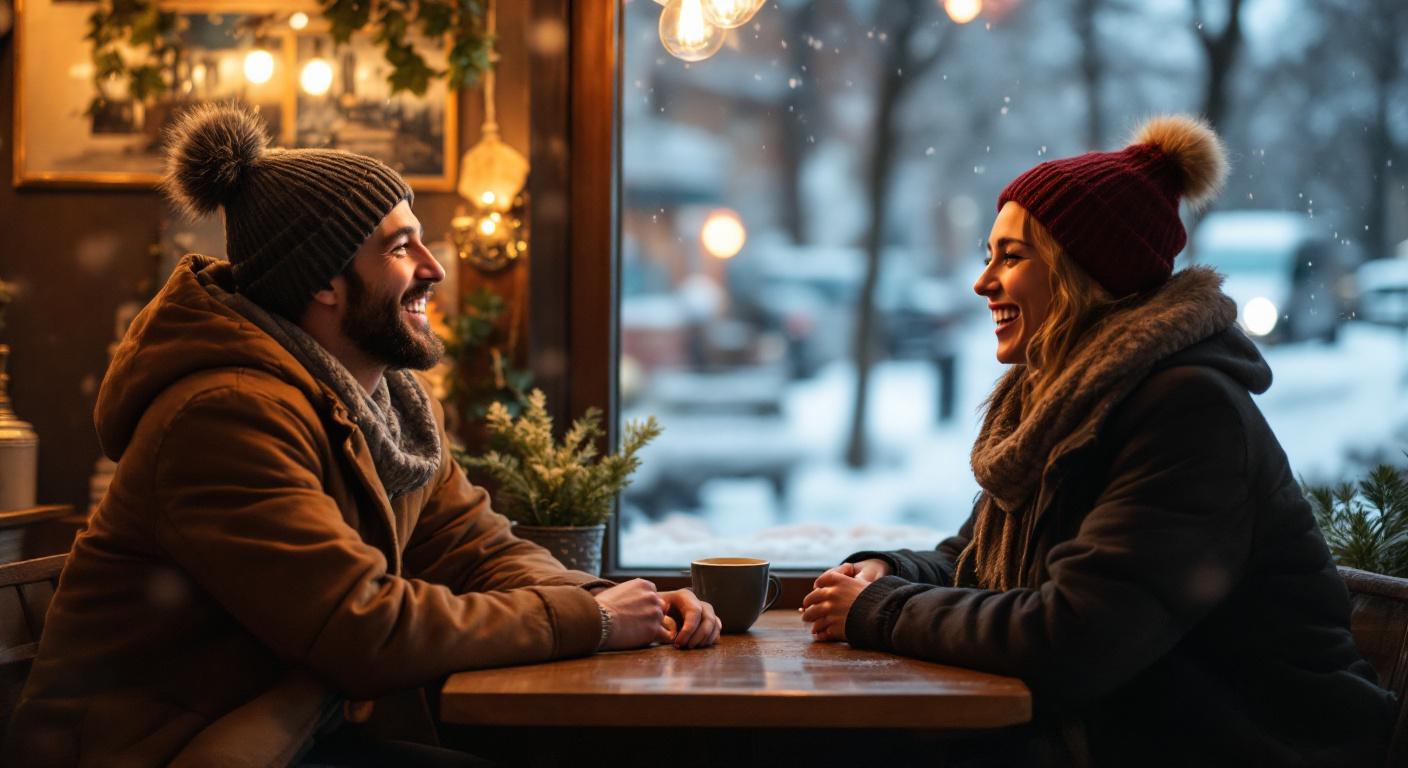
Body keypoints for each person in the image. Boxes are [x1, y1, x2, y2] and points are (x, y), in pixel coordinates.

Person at [4, 104, 720, 767]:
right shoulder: (223, 417)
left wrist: (622, 601)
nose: (434, 268)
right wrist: (589, 622)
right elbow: (365, 629)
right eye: (402, 247)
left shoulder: (388, 406)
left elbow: (475, 548)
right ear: (324, 282)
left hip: (281, 731)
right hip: (173, 751)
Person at [801, 115, 1393, 766]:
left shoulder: (1187, 414)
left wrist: (880, 609)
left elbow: (1071, 639)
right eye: (987, 255)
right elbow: (976, 558)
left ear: (1082, 272)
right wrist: (892, 570)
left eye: (1012, 256)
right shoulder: (1063, 401)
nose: (983, 281)